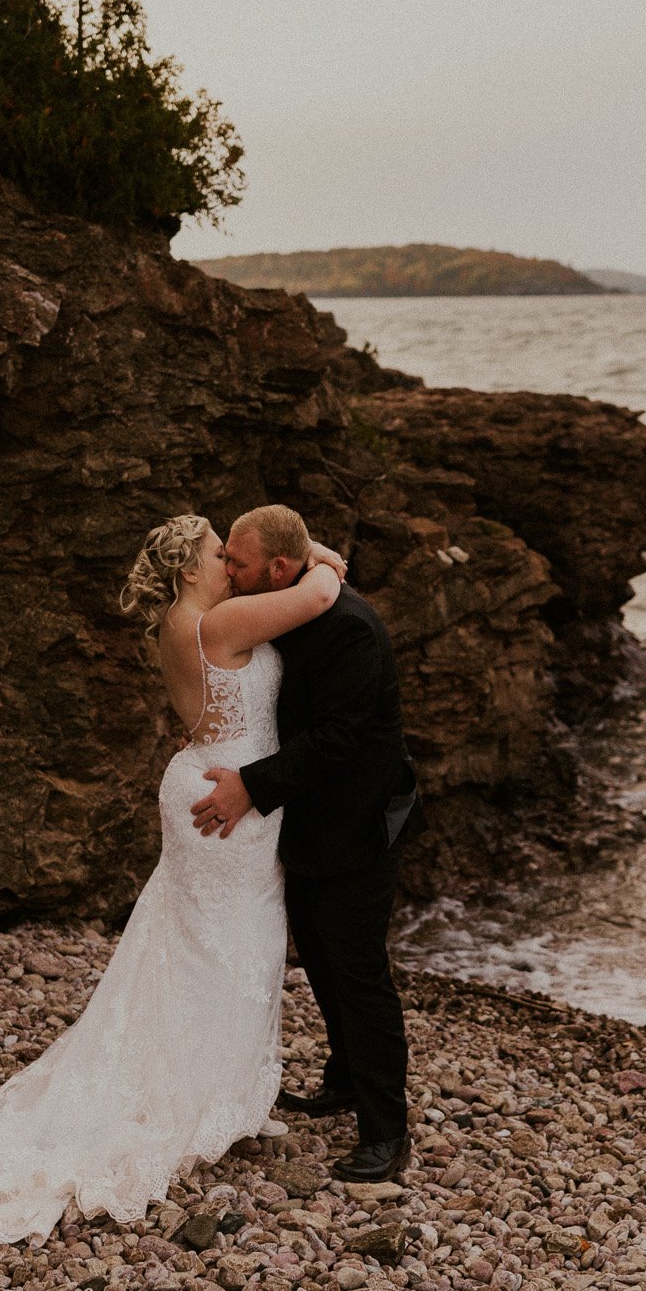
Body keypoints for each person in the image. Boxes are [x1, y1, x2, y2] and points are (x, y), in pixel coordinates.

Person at [0, 513, 346, 1244]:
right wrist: (315, 553)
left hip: (212, 785)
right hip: (229, 798)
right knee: (229, 944)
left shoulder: (184, 621)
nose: (231, 561)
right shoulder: (218, 624)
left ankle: (219, 1090)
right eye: (221, 553)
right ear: (191, 569)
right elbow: (318, 595)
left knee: (199, 945)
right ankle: (202, 1096)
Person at [190, 504, 419, 1184]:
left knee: (359, 971)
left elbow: (337, 740)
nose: (229, 569)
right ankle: (344, 1078)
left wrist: (249, 786)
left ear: (279, 568)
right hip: (313, 819)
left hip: (362, 819)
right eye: (225, 556)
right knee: (319, 954)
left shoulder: (348, 628)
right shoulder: (291, 600)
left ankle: (387, 1131)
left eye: (239, 560)